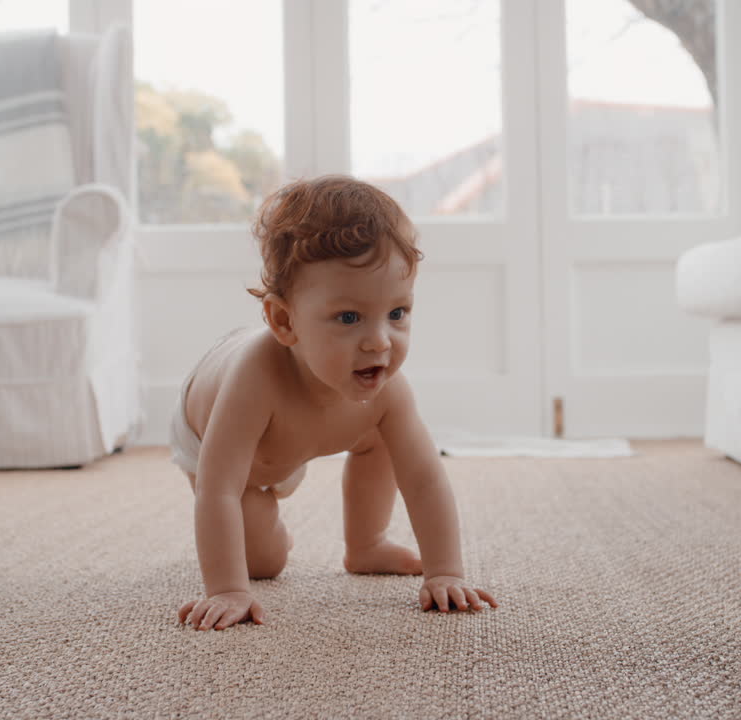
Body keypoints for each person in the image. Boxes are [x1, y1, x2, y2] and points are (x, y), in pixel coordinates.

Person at [172, 175, 499, 631]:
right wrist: (227, 589)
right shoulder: (254, 379)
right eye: (349, 318)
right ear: (284, 321)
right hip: (222, 442)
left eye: (397, 313)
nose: (379, 342)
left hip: (309, 416)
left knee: (384, 437)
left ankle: (366, 543)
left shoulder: (385, 388)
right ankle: (262, 526)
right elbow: (218, 488)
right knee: (262, 562)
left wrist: (445, 571)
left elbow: (423, 478)